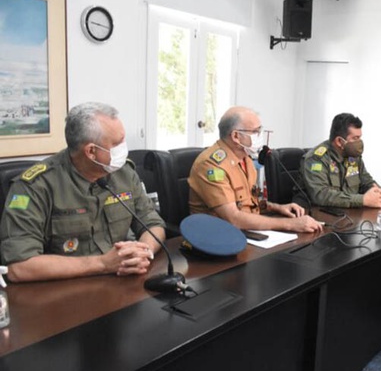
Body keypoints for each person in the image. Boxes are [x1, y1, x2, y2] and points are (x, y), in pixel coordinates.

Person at [0, 102, 165, 283]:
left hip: (122, 283)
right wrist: (103, 264)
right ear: (91, 151)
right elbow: (19, 267)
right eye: (117, 144)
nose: (123, 149)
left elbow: (153, 223)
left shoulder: (124, 173)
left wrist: (143, 252)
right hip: (63, 292)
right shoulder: (35, 187)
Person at [188, 106, 322, 233]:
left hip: (247, 231)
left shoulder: (245, 159)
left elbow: (249, 202)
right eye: (255, 132)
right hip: (219, 237)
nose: (260, 136)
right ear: (236, 136)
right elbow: (233, 218)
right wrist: (291, 224)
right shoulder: (212, 165)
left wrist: (279, 208)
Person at [295, 113, 381, 208]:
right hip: (316, 214)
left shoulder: (353, 156)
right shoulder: (316, 159)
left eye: (360, 137)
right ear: (339, 141)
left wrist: (376, 191)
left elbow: (365, 180)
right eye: (355, 138)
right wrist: (362, 200)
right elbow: (321, 195)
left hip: (347, 213)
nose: (359, 143)